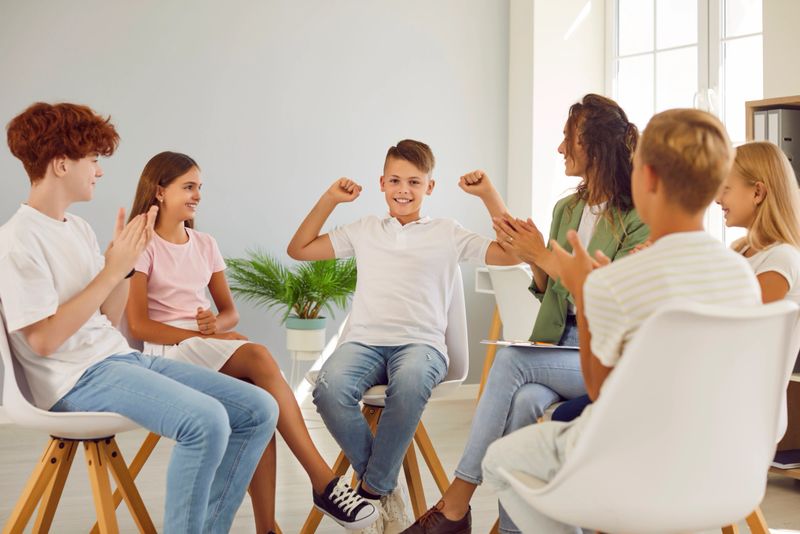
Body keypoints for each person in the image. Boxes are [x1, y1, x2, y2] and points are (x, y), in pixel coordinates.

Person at [0, 102, 278, 533]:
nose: (99, 170)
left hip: (119, 360)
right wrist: (111, 270)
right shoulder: (17, 239)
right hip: (74, 379)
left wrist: (122, 265)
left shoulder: (76, 228)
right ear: (60, 164)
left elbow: (107, 319)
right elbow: (42, 341)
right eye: (92, 159)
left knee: (259, 408)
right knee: (205, 422)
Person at [480, 108, 761, 532]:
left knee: (502, 460)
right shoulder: (741, 275)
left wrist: (587, 294)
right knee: (527, 419)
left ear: (646, 178)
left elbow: (600, 387)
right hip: (732, 469)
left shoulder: (625, 281)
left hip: (638, 464)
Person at [402, 94, 647, 533]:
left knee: (512, 362)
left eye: (567, 139)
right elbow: (548, 290)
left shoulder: (637, 217)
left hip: (605, 352)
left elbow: (610, 297)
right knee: (524, 402)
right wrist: (535, 259)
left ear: (593, 147)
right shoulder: (566, 209)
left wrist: (544, 256)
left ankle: (456, 504)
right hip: (560, 345)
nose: (559, 149)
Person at [125, 151, 377, 532]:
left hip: (204, 345)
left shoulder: (204, 243)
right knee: (258, 356)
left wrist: (216, 327)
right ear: (159, 191)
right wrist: (206, 334)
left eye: (199, 188)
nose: (197, 195)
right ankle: (323, 481)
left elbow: (229, 313)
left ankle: (267, 527)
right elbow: (140, 326)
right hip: (167, 354)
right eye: (188, 187)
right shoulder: (142, 245)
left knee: (261, 407)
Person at [287, 139, 518, 533]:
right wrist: (330, 199)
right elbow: (299, 249)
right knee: (326, 388)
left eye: (414, 181)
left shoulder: (448, 232)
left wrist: (489, 196)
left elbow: (512, 255)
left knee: (409, 384)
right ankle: (384, 487)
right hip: (363, 343)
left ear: (430, 187)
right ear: (381, 183)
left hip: (421, 346)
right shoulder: (364, 229)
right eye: (395, 180)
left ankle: (371, 493)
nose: (403, 190)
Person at [715, 141, 800, 306]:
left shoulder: (781, 257)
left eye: (725, 189)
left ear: (757, 192)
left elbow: (744, 324)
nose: (717, 199)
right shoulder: (741, 249)